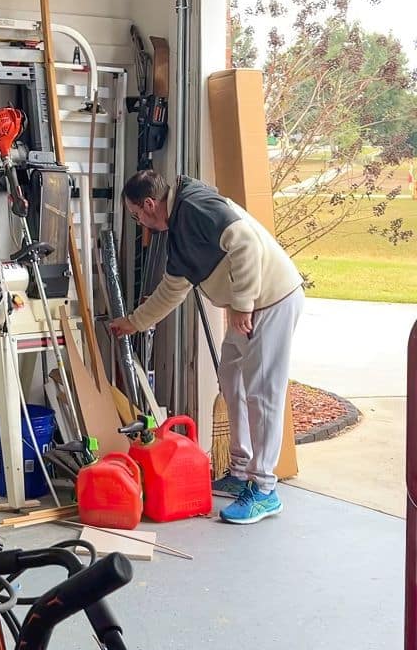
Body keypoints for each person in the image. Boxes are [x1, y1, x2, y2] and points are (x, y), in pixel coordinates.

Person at [109, 169, 304, 525]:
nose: (140, 224)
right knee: (231, 380)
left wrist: (242, 303)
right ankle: (241, 470)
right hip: (247, 308)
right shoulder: (180, 229)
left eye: (137, 216)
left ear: (150, 204)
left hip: (272, 300)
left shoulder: (197, 207)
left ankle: (264, 489)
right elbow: (172, 289)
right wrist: (134, 322)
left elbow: (244, 240)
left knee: (263, 393)